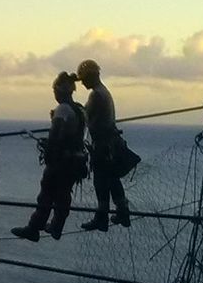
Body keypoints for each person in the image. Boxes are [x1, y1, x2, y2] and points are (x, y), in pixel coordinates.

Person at [11, 71, 88, 241]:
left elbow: (55, 135)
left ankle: (34, 227)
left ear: (60, 91)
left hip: (61, 162)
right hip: (76, 161)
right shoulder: (80, 110)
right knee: (63, 195)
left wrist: (48, 147)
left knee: (46, 194)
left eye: (55, 91)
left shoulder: (62, 109)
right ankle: (56, 226)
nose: (54, 94)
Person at [78, 58, 132, 231]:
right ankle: (122, 211)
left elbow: (87, 117)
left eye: (84, 79)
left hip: (102, 145)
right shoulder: (104, 92)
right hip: (111, 143)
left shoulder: (96, 94)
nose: (83, 83)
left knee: (101, 182)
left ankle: (101, 217)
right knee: (112, 179)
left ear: (91, 76)